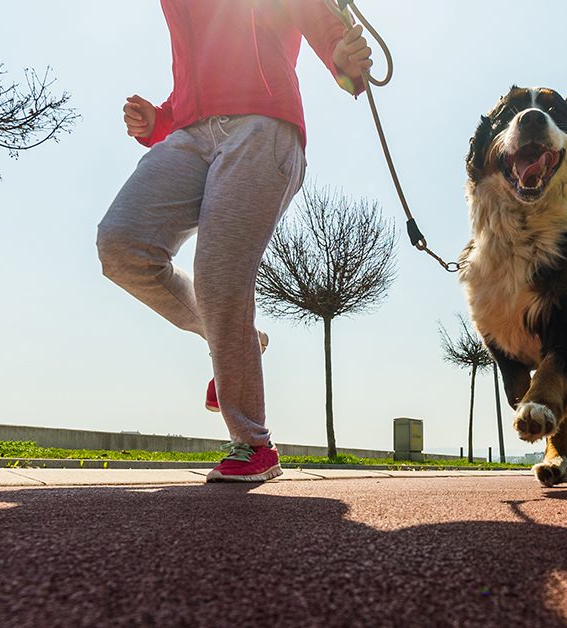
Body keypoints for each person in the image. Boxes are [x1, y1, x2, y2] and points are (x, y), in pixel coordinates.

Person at [96, 0, 372, 482]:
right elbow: (200, 69)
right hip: (190, 135)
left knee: (219, 274)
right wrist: (160, 119)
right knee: (122, 242)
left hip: (263, 125)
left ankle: (253, 444)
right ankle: (237, 340)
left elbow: (321, 28)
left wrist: (343, 62)